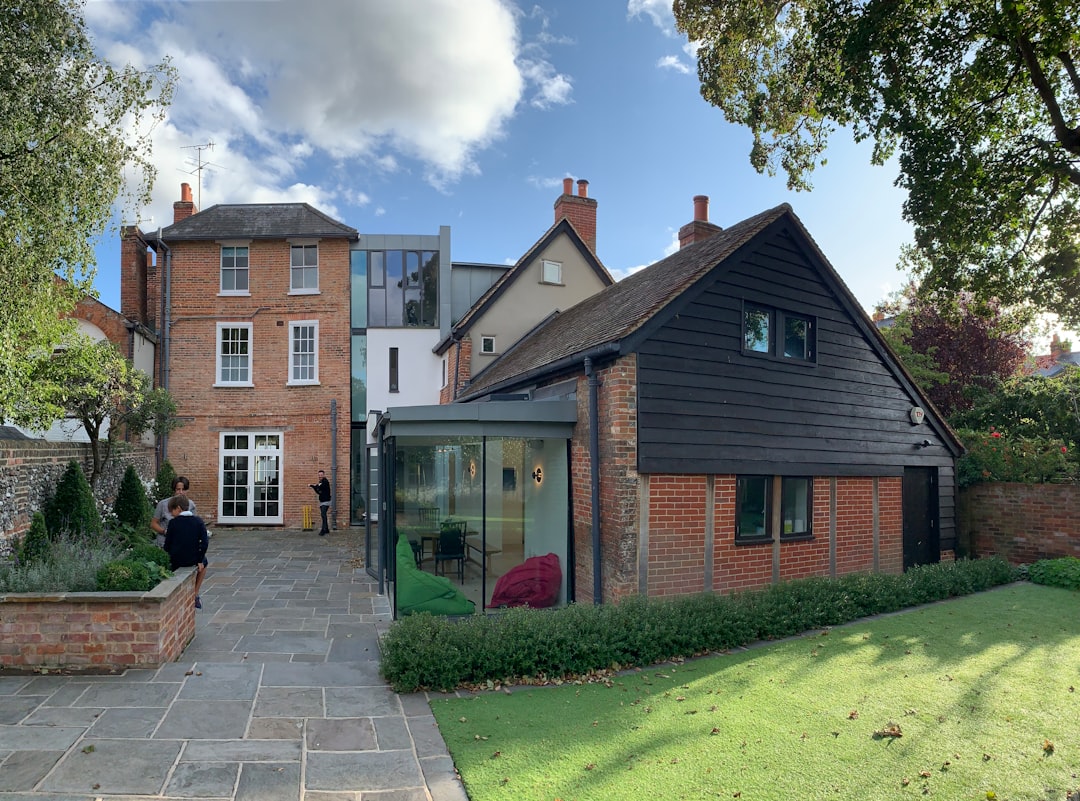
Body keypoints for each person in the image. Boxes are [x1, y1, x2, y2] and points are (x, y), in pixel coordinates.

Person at [164, 495, 209, 609]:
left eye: (172, 511)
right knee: (205, 563)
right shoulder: (198, 521)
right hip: (193, 559)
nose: (171, 514)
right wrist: (199, 559)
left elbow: (167, 544)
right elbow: (204, 543)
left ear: (178, 508)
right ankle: (195, 593)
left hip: (176, 559)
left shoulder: (173, 523)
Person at [152, 476, 196, 548]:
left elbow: (194, 524)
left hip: (183, 544)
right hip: (165, 543)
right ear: (174, 490)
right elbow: (153, 524)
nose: (181, 492)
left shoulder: (191, 505)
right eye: (178, 489)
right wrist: (165, 532)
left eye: (184, 489)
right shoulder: (163, 504)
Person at [310, 469, 331, 535]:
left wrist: (313, 486)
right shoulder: (320, 482)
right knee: (323, 515)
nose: (320, 476)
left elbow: (319, 488)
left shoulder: (325, 482)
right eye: (319, 475)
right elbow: (318, 491)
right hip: (322, 501)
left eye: (321, 475)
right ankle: (326, 529)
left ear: (324, 475)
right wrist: (313, 486)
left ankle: (323, 530)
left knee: (323, 515)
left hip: (326, 501)